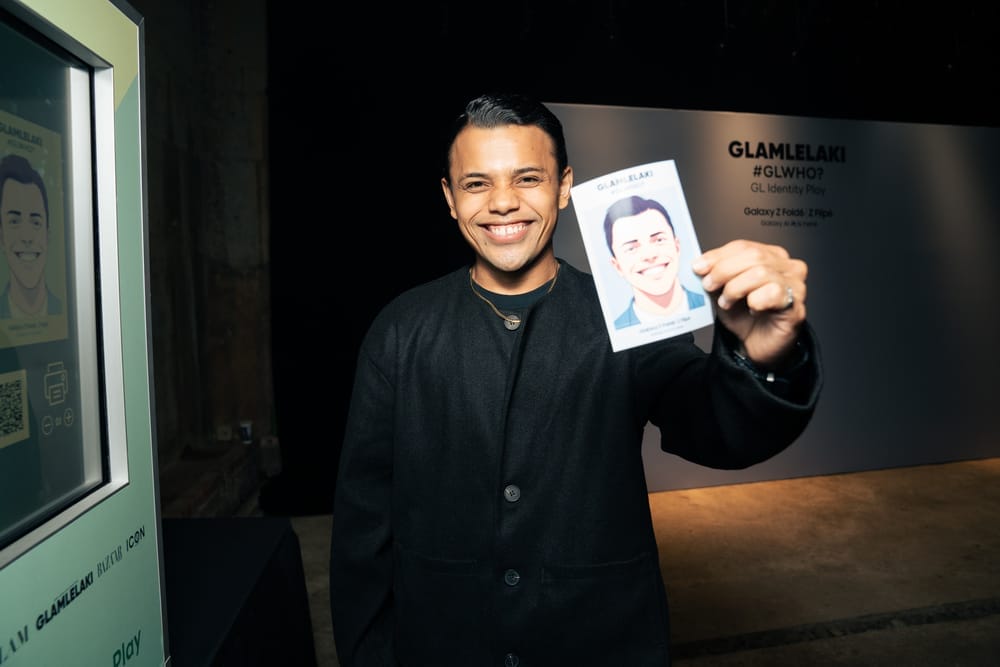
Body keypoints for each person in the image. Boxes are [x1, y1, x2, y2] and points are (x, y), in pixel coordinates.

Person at [329, 92, 822, 666]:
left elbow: (715, 425)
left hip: (597, 638)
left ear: (564, 186)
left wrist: (763, 356)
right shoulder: (401, 328)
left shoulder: (627, 315)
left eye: (528, 178)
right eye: (477, 183)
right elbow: (364, 520)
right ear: (449, 198)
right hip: (444, 640)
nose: (503, 203)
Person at [604, 194, 705, 329]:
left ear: (677, 247)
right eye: (631, 248)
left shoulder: (715, 308)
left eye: (659, 240)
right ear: (617, 267)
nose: (649, 255)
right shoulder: (615, 332)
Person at [0, 154, 61, 318]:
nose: (26, 237)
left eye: (35, 222)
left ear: (47, 235)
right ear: (1, 236)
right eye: (14, 221)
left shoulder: (67, 312)